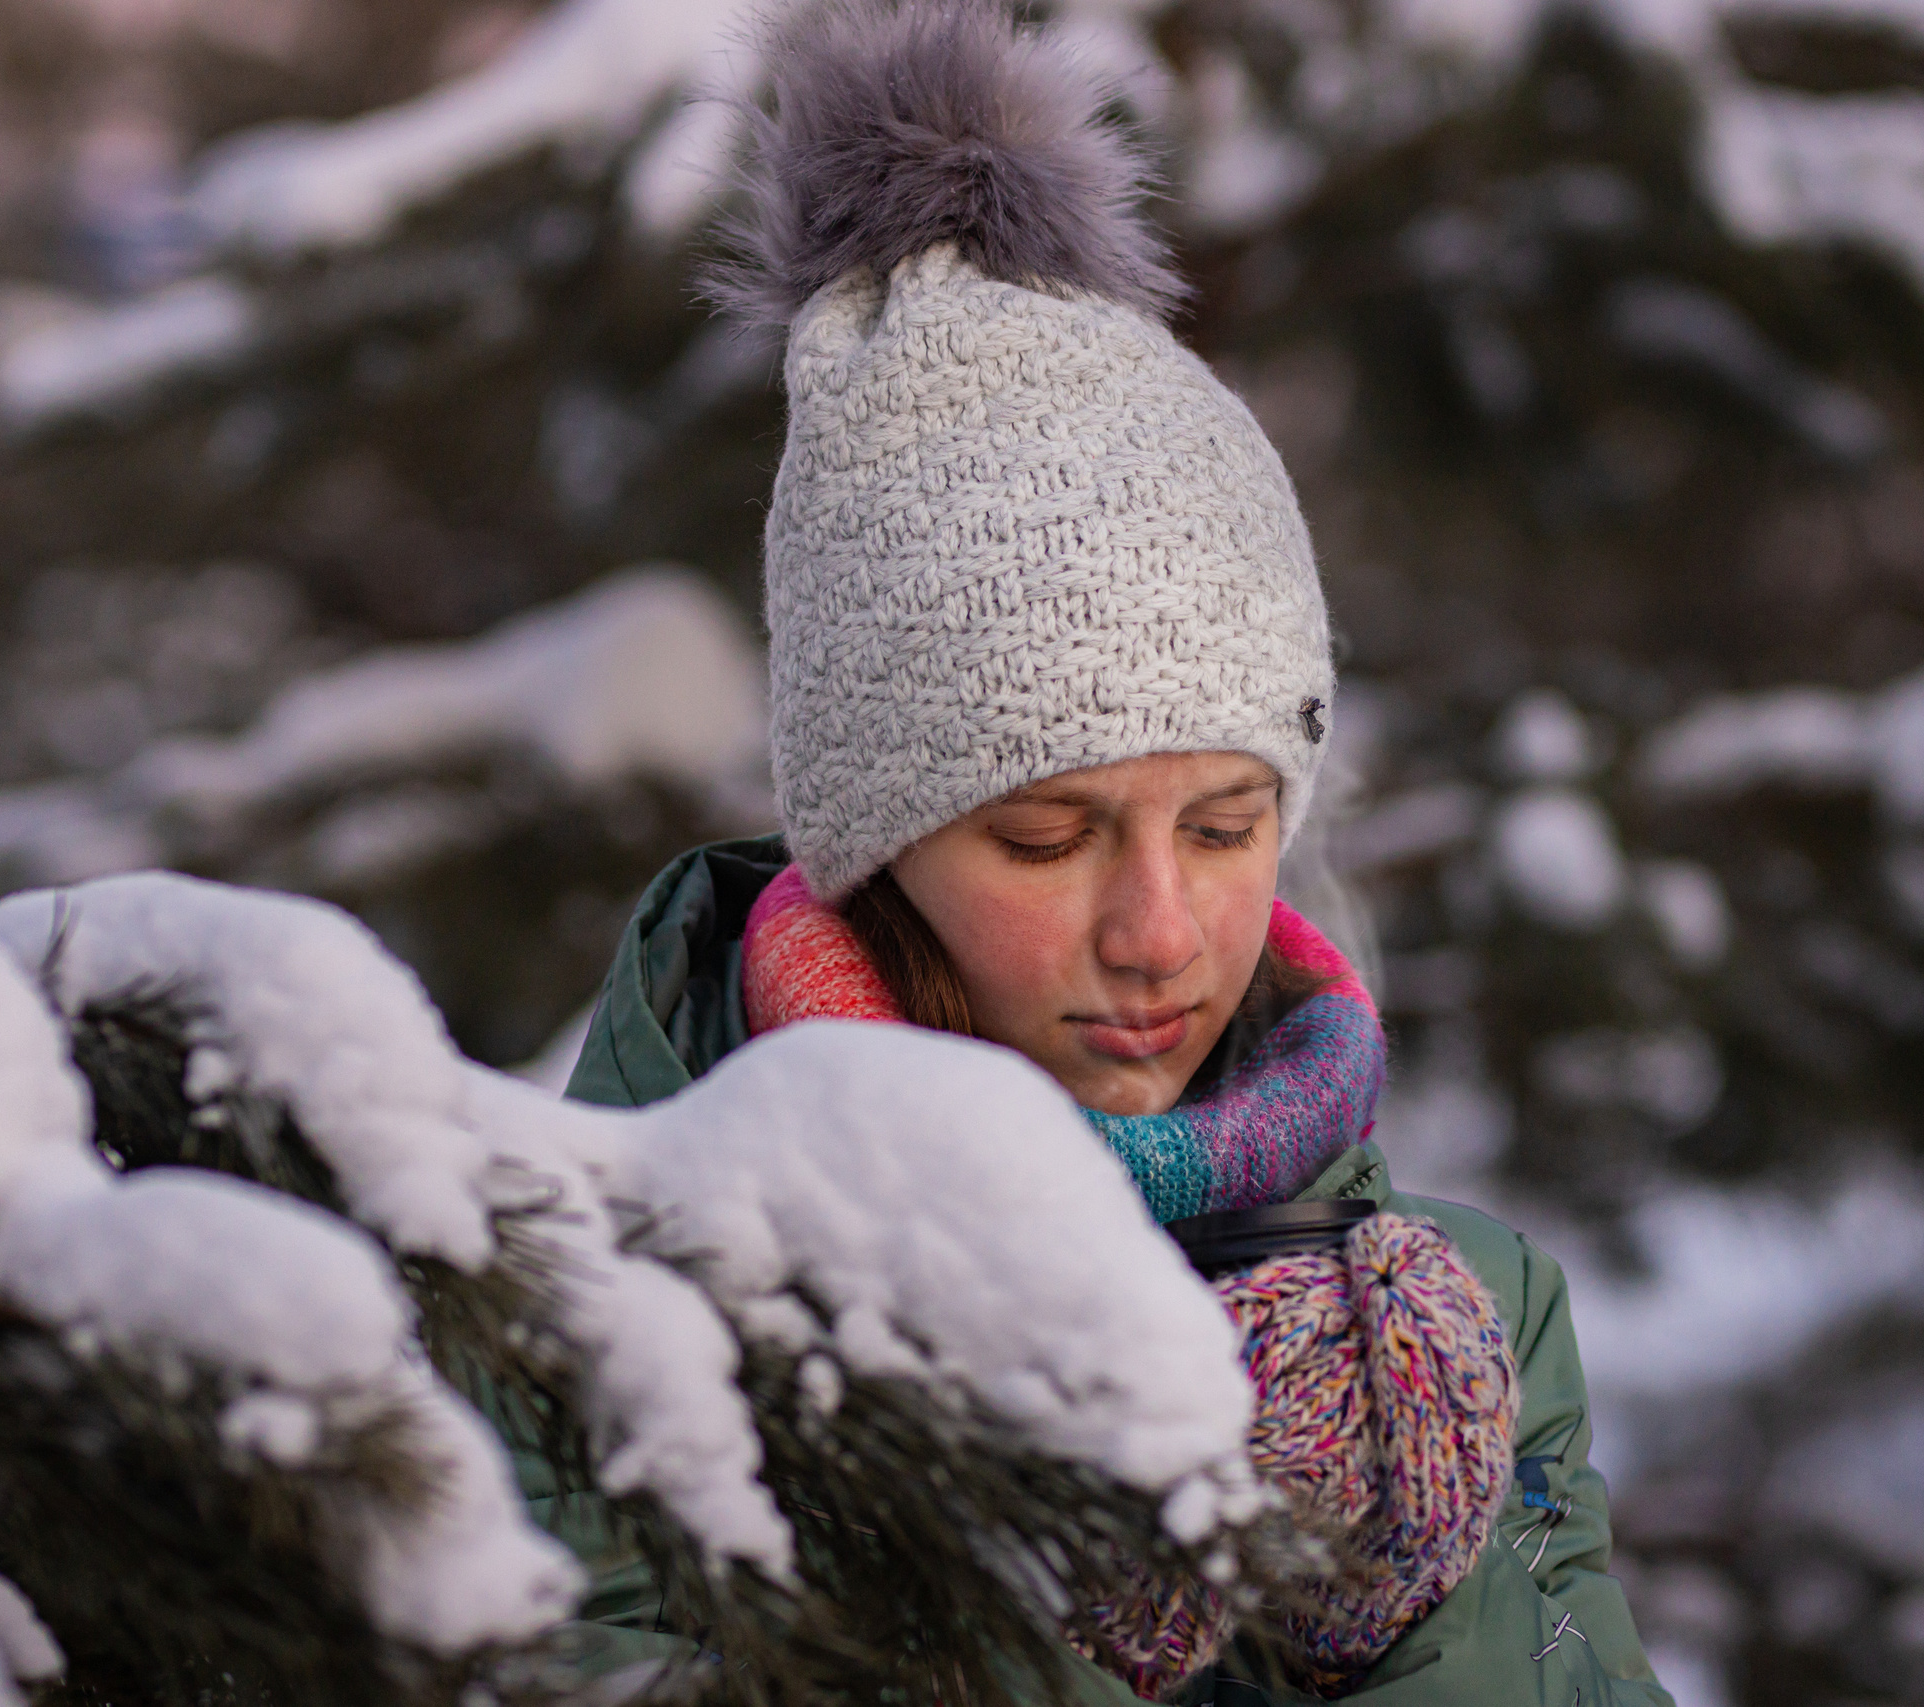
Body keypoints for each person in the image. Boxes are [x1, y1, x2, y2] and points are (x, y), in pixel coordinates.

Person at [545, 2, 1669, 1701]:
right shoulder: (585, 1328)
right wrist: (1035, 1618)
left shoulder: (1462, 1328)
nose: (1160, 931)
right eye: (1047, 834)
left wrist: (1417, 1615)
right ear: (874, 848)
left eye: (1225, 826)